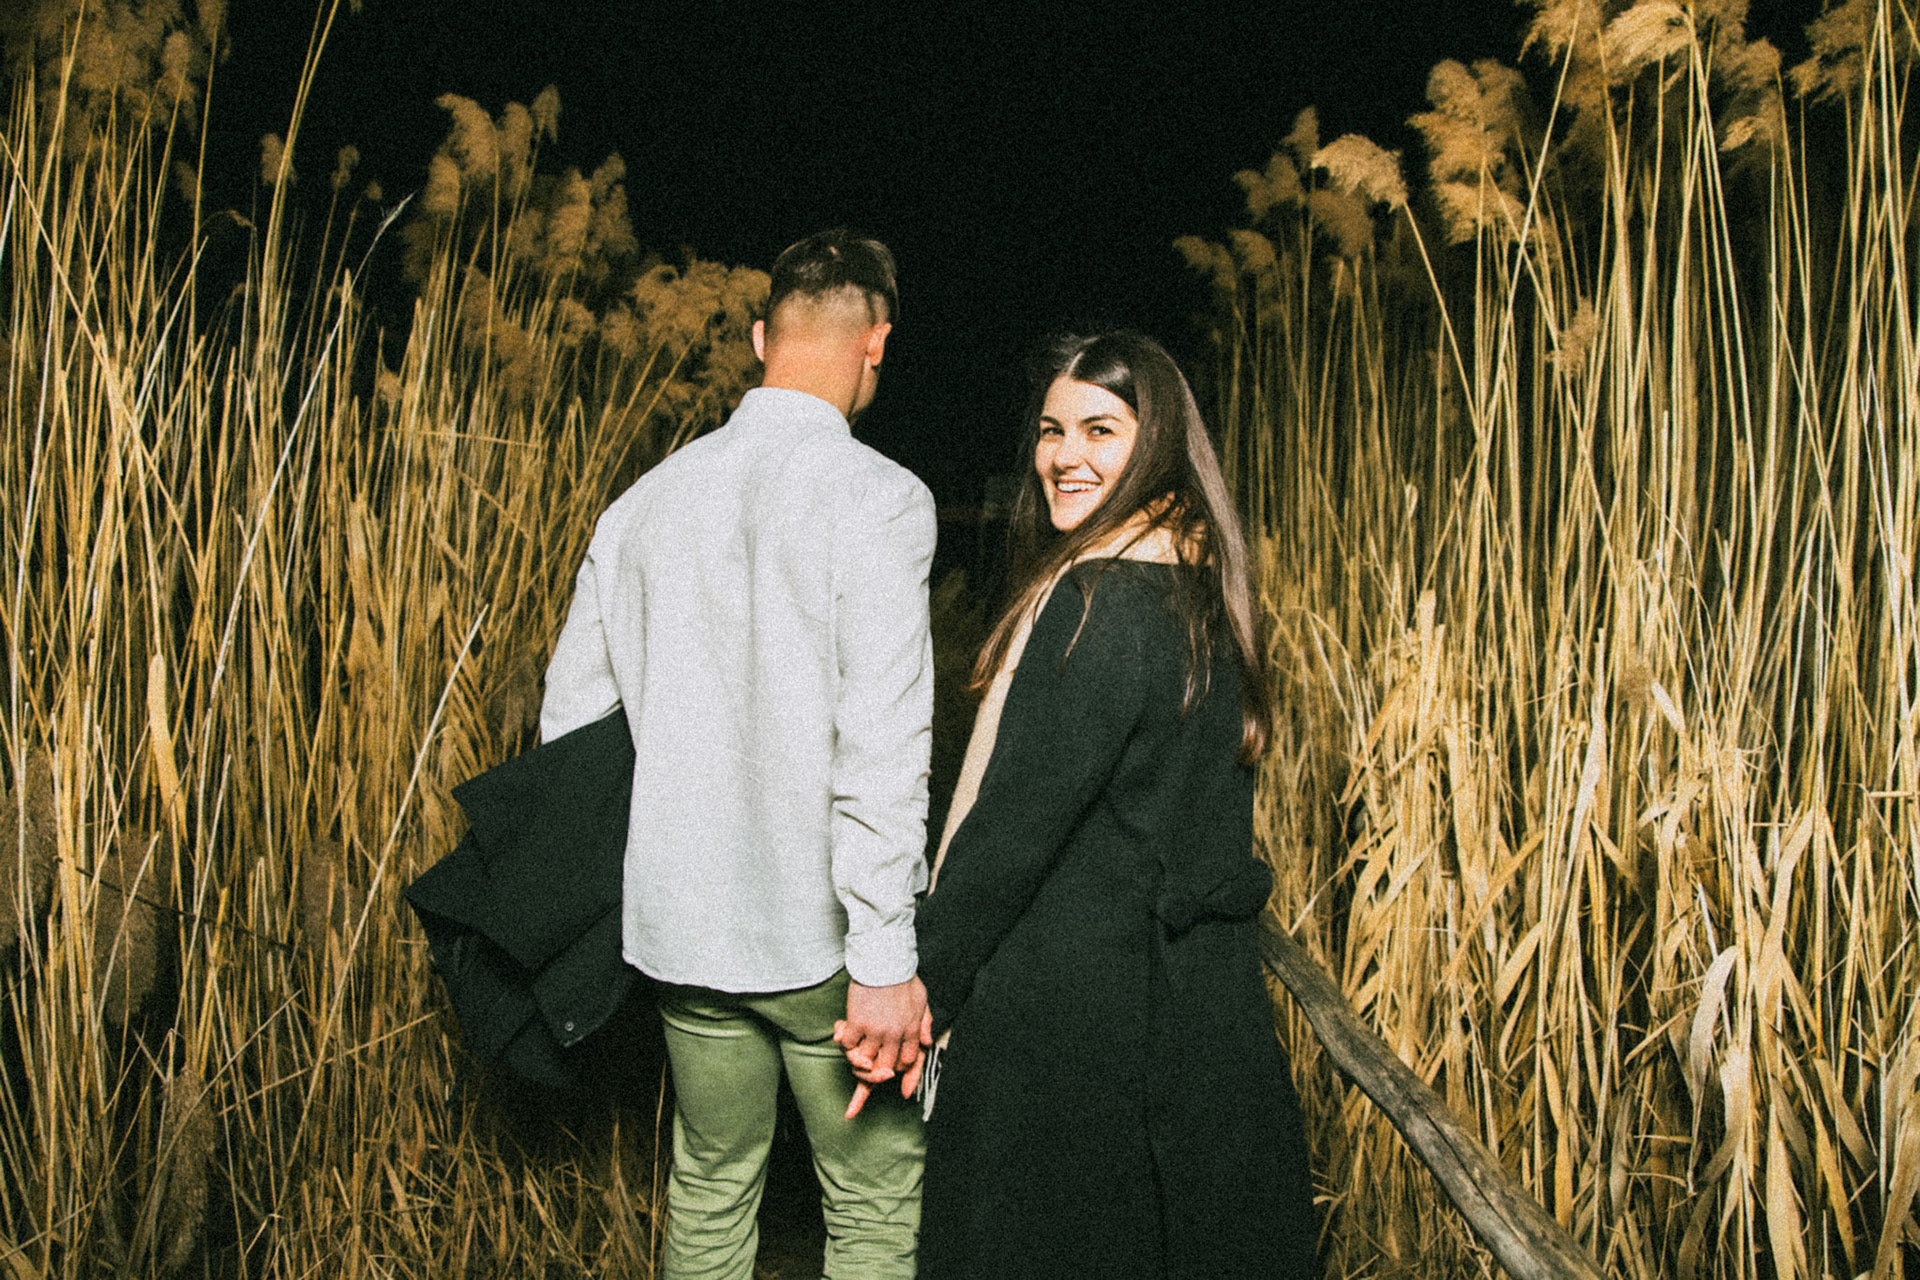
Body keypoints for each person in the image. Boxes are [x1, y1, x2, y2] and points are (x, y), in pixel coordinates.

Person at [539, 228, 934, 1280]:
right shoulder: (882, 498)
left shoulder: (641, 505)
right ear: (877, 343)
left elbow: (571, 727)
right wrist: (886, 955)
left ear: (762, 338)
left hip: (682, 928)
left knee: (710, 1182)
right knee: (872, 1203)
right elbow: (883, 742)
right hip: (825, 940)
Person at [909, 332, 1318, 1278]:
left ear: (1159, 441)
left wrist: (924, 985)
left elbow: (1009, 834)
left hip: (1072, 1025)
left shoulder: (1098, 599)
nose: (1064, 455)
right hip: (1190, 1011)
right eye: (1051, 430)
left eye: (1100, 429)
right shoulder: (1205, 588)